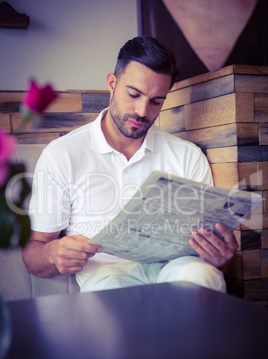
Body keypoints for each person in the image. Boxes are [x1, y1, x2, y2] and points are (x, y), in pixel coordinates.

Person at [22, 36, 238, 293]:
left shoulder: (188, 156)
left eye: (156, 101)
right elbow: (33, 254)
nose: (142, 111)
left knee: (201, 275)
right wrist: (53, 252)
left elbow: (214, 261)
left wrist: (221, 260)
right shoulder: (63, 155)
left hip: (177, 267)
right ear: (112, 83)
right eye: (133, 94)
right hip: (107, 275)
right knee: (115, 294)